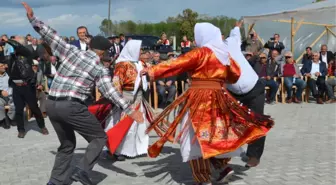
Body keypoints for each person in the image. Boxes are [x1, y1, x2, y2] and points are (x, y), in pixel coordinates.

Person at [21, 2, 143, 185]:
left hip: (52, 104)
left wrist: (33, 19)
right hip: (71, 106)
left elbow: (51, 36)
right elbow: (110, 92)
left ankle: (55, 181)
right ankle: (82, 171)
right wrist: (130, 109)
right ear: (102, 52)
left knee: (67, 145)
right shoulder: (100, 68)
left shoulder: (71, 51)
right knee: (99, 137)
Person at [142, 21, 274, 185]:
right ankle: (222, 167)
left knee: (193, 138)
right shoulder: (223, 55)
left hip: (199, 98)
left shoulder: (200, 53)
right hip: (219, 97)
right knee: (216, 134)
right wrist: (217, 80)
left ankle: (203, 179)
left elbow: (177, 64)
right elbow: (235, 74)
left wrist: (151, 71)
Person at [101, 40, 154, 161]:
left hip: (139, 97)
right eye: (139, 49)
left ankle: (138, 148)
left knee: (139, 124)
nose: (141, 51)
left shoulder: (141, 63)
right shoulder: (122, 64)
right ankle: (117, 149)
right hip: (125, 98)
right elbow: (116, 82)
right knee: (123, 123)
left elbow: (152, 74)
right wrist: (118, 100)